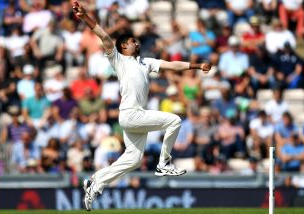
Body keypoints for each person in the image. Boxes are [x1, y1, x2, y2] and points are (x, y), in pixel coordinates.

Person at [72, 1, 211, 211]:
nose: (135, 42)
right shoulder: (117, 59)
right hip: (130, 114)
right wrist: (85, 16)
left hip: (136, 117)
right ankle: (164, 164)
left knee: (134, 159)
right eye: (131, 41)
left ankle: (95, 182)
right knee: (174, 120)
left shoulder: (146, 62)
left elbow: (171, 65)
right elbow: (104, 36)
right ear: (122, 47)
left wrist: (197, 66)